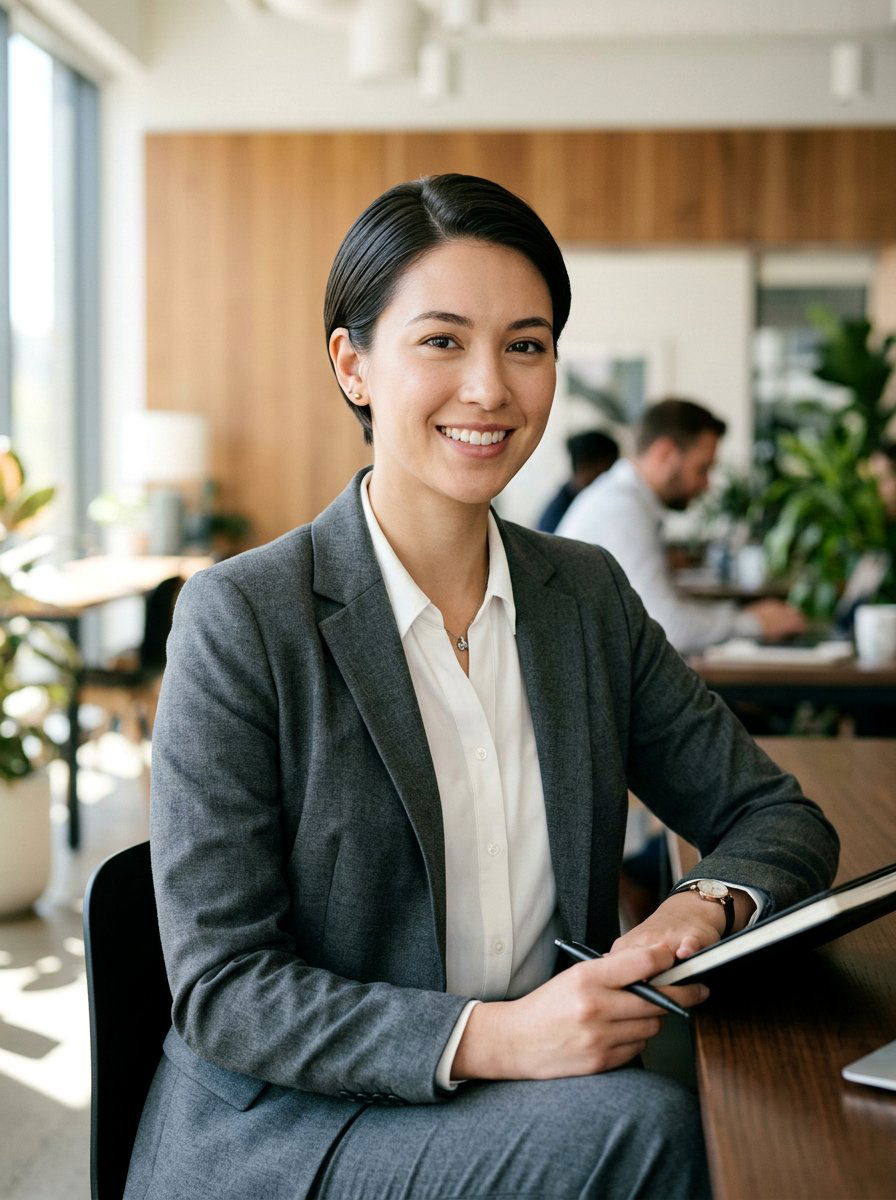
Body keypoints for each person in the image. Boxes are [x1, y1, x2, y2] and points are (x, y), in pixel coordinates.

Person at [125, 175, 839, 1200]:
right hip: (298, 1127)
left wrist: (699, 907)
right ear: (353, 365)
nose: (490, 389)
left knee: (773, 1108)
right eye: (442, 341)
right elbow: (226, 990)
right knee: (645, 1132)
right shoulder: (242, 617)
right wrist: (498, 1037)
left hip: (539, 1093)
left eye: (525, 345)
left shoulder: (583, 597)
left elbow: (776, 816)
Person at [556, 397, 807, 655]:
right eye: (702, 469)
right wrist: (752, 623)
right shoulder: (621, 509)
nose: (706, 485)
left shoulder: (624, 500)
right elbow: (665, 627)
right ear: (665, 453)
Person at [537, 429, 619, 532]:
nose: (613, 477)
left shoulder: (576, 498)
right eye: (609, 468)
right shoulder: (558, 517)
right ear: (586, 467)